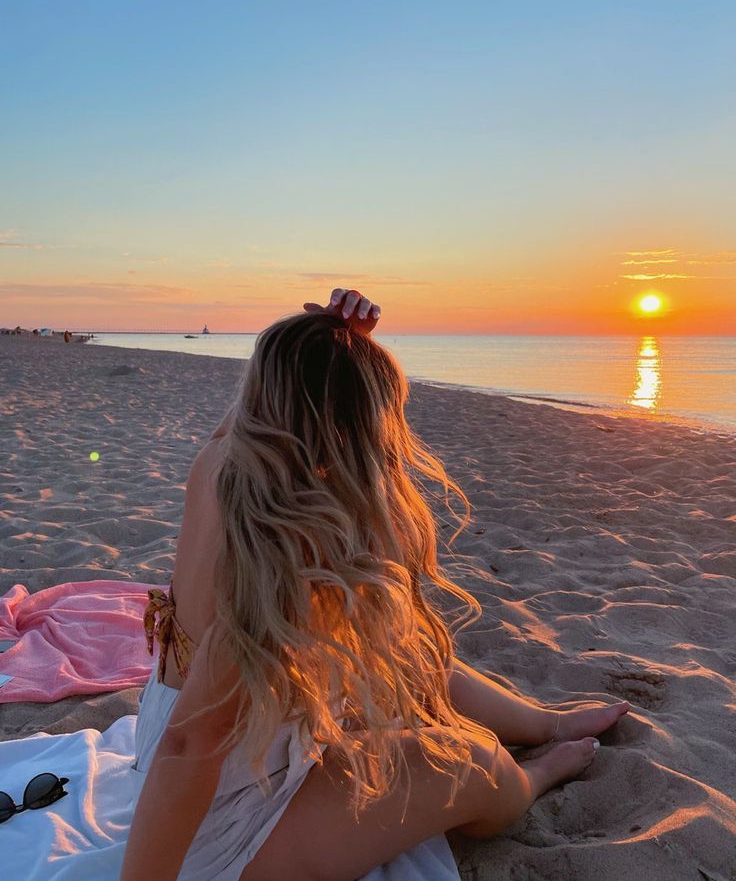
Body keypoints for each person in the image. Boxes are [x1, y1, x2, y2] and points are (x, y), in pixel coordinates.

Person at [121, 288, 628, 881]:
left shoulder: (221, 463)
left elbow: (256, 409)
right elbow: (194, 744)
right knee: (472, 763)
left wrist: (333, 344)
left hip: (182, 743)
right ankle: (536, 773)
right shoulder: (287, 545)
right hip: (222, 818)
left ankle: (546, 724)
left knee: (404, 651)